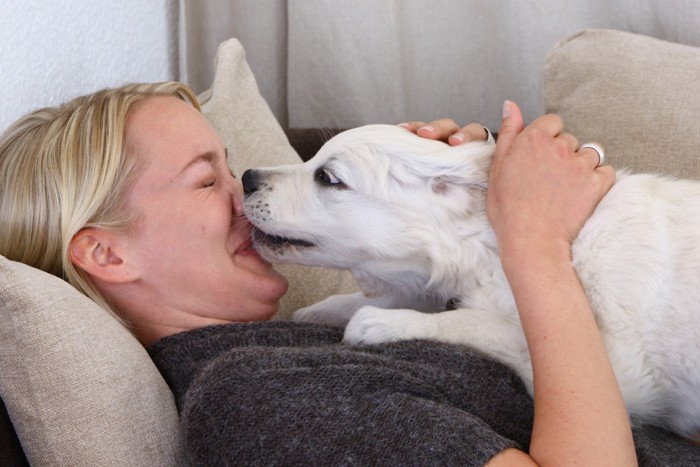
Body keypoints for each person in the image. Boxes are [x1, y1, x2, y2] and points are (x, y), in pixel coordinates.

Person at [1, 82, 695, 465]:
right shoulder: (253, 400)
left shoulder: (304, 344)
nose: (245, 193)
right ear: (108, 254)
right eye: (204, 180)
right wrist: (534, 240)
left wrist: (470, 193)